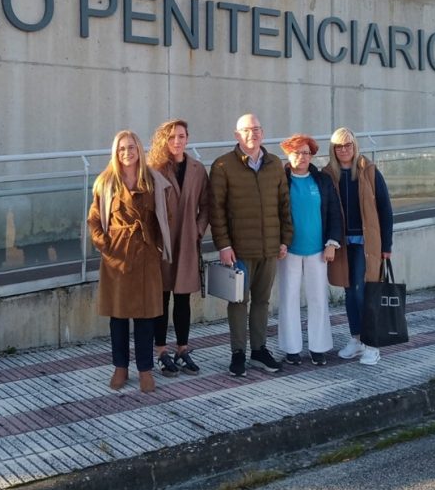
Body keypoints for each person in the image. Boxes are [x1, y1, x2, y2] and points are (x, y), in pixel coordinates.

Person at [87, 130, 172, 393]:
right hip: (118, 257)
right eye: (122, 148)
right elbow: (93, 219)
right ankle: (120, 368)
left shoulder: (152, 179)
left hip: (146, 256)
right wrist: (105, 244)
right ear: (116, 151)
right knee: (119, 317)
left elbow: (162, 217)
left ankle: (145, 370)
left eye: (131, 147)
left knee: (146, 316)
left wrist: (159, 248)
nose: (127, 152)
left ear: (139, 150)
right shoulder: (106, 182)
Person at [209, 113, 293, 377]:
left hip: (269, 248)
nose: (252, 134)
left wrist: (284, 240)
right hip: (239, 250)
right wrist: (223, 245)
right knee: (237, 301)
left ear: (263, 133)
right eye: (246, 130)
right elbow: (217, 210)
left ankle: (259, 350)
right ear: (237, 135)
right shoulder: (223, 166)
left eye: (256, 129)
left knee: (262, 301)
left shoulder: (275, 164)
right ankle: (238, 353)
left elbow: (284, 206)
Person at [324, 127, 394, 366]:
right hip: (341, 243)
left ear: (355, 146)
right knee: (349, 291)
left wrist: (387, 244)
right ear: (333, 150)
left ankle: (372, 344)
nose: (344, 150)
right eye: (339, 147)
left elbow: (385, 209)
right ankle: (356, 339)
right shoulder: (328, 174)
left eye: (348, 145)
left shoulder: (368, 171)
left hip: (367, 243)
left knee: (363, 291)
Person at [147, 119, 211, 376]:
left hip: (187, 240)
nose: (177, 141)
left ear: (188, 138)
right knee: (162, 297)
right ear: (164, 139)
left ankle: (182, 349)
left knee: (183, 298)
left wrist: (198, 228)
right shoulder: (154, 169)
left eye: (181, 136)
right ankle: (161, 351)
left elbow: (207, 204)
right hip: (163, 243)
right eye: (172, 136)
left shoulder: (197, 168)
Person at [277, 134, 343, 366]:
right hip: (289, 251)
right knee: (289, 298)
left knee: (318, 299)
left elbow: (335, 212)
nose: (302, 157)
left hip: (318, 251)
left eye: (306, 153)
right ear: (288, 154)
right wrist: (279, 242)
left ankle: (318, 347)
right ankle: (291, 348)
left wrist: (332, 243)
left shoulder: (322, 180)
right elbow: (274, 214)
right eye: (297, 152)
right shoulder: (281, 180)